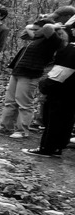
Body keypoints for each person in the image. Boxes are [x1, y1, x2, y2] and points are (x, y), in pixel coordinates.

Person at [0, 13, 65, 138]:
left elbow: (48, 28)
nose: (33, 31)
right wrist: (36, 26)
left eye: (37, 29)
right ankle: (5, 126)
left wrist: (54, 25)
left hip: (30, 73)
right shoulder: (36, 39)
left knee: (24, 103)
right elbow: (29, 27)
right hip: (18, 71)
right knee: (10, 101)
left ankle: (22, 130)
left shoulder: (53, 40)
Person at [23, 16, 75, 157]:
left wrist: (45, 85)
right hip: (68, 90)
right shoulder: (67, 47)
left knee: (55, 119)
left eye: (62, 33)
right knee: (66, 118)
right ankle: (57, 148)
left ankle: (47, 148)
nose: (60, 36)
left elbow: (62, 72)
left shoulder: (70, 49)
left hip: (61, 90)